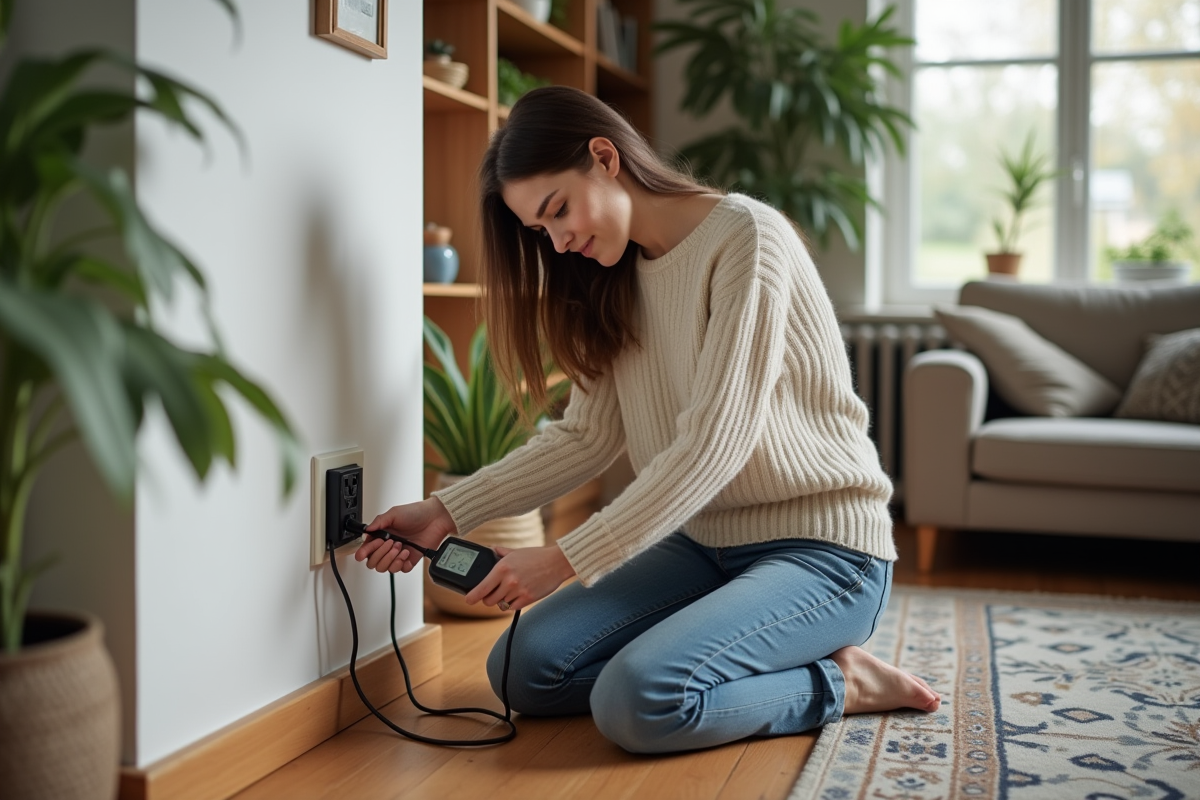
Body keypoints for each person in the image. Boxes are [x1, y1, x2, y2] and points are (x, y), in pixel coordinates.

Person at [355, 85, 940, 754]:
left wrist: (566, 558)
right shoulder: (611, 273)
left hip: (823, 550)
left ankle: (840, 684)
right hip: (702, 545)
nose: (558, 238)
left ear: (604, 157)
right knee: (521, 672)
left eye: (558, 210)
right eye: (540, 230)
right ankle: (737, 655)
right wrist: (445, 510)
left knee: (637, 701)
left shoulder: (747, 238)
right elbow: (586, 437)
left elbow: (714, 448)